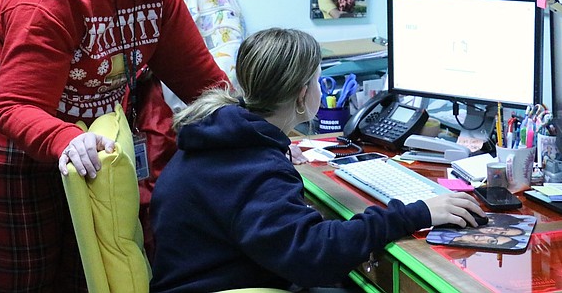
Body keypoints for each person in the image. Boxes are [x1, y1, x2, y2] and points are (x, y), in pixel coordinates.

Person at [0, 0, 228, 291]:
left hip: (90, 133)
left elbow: (202, 81)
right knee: (26, 278)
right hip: (10, 138)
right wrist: (64, 139)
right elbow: (12, 106)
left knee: (91, 271)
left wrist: (260, 128)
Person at [149, 27, 485, 292]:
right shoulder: (254, 167)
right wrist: (418, 212)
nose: (321, 89)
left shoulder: (228, 140)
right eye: (318, 80)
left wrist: (274, 156)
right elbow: (312, 256)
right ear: (301, 95)